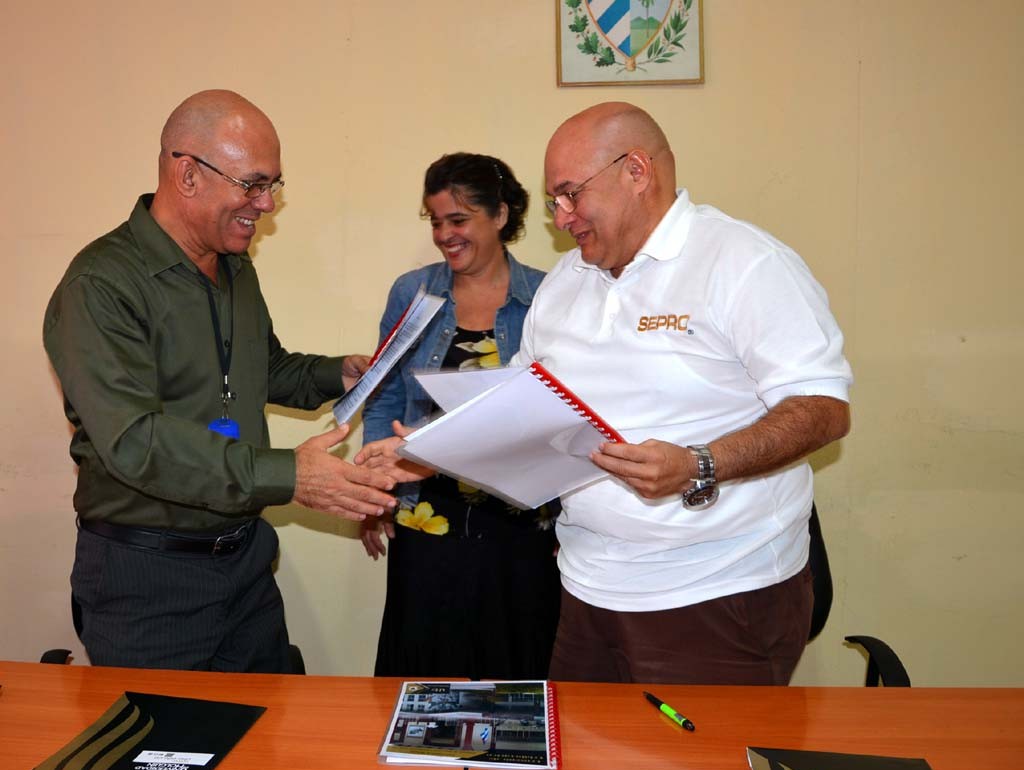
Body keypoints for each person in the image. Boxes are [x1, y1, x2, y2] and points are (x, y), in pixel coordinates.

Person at [360, 103, 852, 686]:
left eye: (571, 195)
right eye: (554, 201)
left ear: (636, 171)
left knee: (698, 751)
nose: (561, 218)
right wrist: (426, 448)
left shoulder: (743, 262)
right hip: (586, 590)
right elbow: (515, 406)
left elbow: (822, 410)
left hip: (716, 591)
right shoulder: (566, 282)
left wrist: (701, 464)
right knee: (580, 747)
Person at [43, 90, 397, 673]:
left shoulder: (235, 268)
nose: (267, 204)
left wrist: (340, 373)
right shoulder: (100, 286)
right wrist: (290, 475)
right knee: (163, 733)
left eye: (273, 186)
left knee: (271, 728)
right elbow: (135, 441)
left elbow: (261, 369)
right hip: (149, 582)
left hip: (245, 565)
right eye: (252, 185)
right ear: (187, 174)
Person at [360, 152, 561, 680]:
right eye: (435, 221)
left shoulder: (549, 296)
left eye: (458, 219)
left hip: (520, 526)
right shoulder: (412, 293)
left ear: (500, 214)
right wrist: (376, 491)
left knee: (516, 676)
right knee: (426, 678)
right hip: (426, 520)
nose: (444, 235)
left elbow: (562, 415)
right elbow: (383, 396)